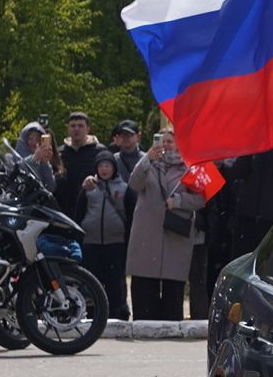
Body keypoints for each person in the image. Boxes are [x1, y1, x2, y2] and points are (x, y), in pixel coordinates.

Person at [127, 130, 203, 320]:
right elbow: (135, 183)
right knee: (144, 284)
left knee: (173, 287)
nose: (166, 144)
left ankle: (171, 323)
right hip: (147, 233)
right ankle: (144, 324)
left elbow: (200, 199)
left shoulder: (189, 167)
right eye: (162, 141)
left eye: (170, 141)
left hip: (175, 234)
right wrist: (147, 159)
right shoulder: (148, 163)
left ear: (179, 144)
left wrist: (178, 201)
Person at [74, 149, 130, 321]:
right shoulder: (88, 187)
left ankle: (117, 313)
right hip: (91, 242)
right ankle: (92, 314)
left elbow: (130, 214)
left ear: (114, 167)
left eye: (108, 165)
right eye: (101, 166)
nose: (104, 169)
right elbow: (79, 212)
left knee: (115, 281)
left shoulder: (124, 188)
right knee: (92, 280)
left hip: (116, 242)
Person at [222, 143, 273, 258]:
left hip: (272, 222)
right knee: (241, 261)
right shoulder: (250, 147)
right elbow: (236, 172)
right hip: (245, 219)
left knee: (266, 264)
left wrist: (270, 147)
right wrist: (251, 149)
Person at [56, 111, 102, 213]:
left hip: (91, 208)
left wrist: (95, 180)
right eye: (73, 126)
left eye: (80, 126)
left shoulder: (99, 151)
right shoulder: (60, 153)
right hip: (64, 208)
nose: (76, 129)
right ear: (68, 129)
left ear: (88, 129)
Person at [14, 122, 58, 191]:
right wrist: (33, 159)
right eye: (30, 139)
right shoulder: (12, 157)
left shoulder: (42, 159)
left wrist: (44, 163)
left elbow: (51, 187)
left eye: (37, 139)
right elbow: (17, 169)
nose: (34, 143)